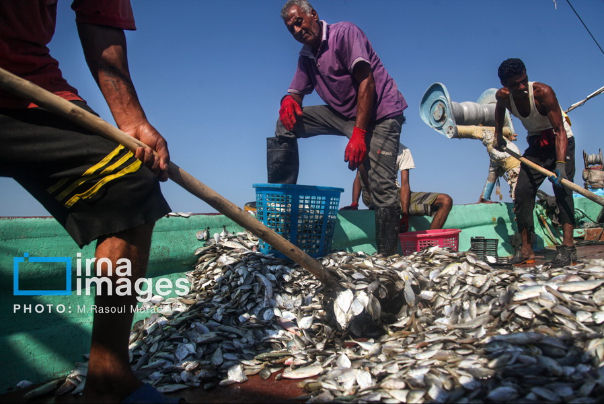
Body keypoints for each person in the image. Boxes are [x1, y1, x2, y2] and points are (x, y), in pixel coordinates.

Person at [0, 2, 180, 403]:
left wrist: (131, 121)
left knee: (130, 185)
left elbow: (101, 16)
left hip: (29, 85)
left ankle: (108, 379)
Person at [269, 0, 408, 255]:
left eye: (299, 22)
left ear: (313, 15)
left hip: (380, 114)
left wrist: (359, 133)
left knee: (381, 188)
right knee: (285, 123)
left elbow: (367, 82)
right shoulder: (306, 57)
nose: (297, 31)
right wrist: (288, 101)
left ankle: (389, 258)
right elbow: (296, 93)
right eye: (291, 29)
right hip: (342, 114)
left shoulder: (345, 33)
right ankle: (280, 203)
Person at [494, 58, 576, 267]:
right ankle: (526, 248)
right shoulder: (503, 96)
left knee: (563, 192)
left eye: (524, 81)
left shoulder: (543, 92)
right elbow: (499, 111)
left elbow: (559, 131)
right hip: (536, 146)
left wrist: (560, 165)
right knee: (522, 193)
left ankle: (568, 247)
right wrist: (498, 136)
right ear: (506, 86)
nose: (521, 87)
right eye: (515, 85)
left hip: (560, 141)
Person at [341, 143, 453, 233]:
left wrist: (405, 214)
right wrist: (354, 203)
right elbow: (359, 176)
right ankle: (377, 204)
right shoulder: (370, 144)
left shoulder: (403, 151)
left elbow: (405, 184)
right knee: (362, 159)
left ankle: (430, 246)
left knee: (445, 201)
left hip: (394, 194)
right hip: (372, 194)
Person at [478, 132, 521, 203]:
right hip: (517, 169)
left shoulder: (495, 150)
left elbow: (493, 173)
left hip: (515, 169)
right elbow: (492, 173)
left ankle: (485, 198)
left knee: (518, 189)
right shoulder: (507, 145)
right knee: (519, 191)